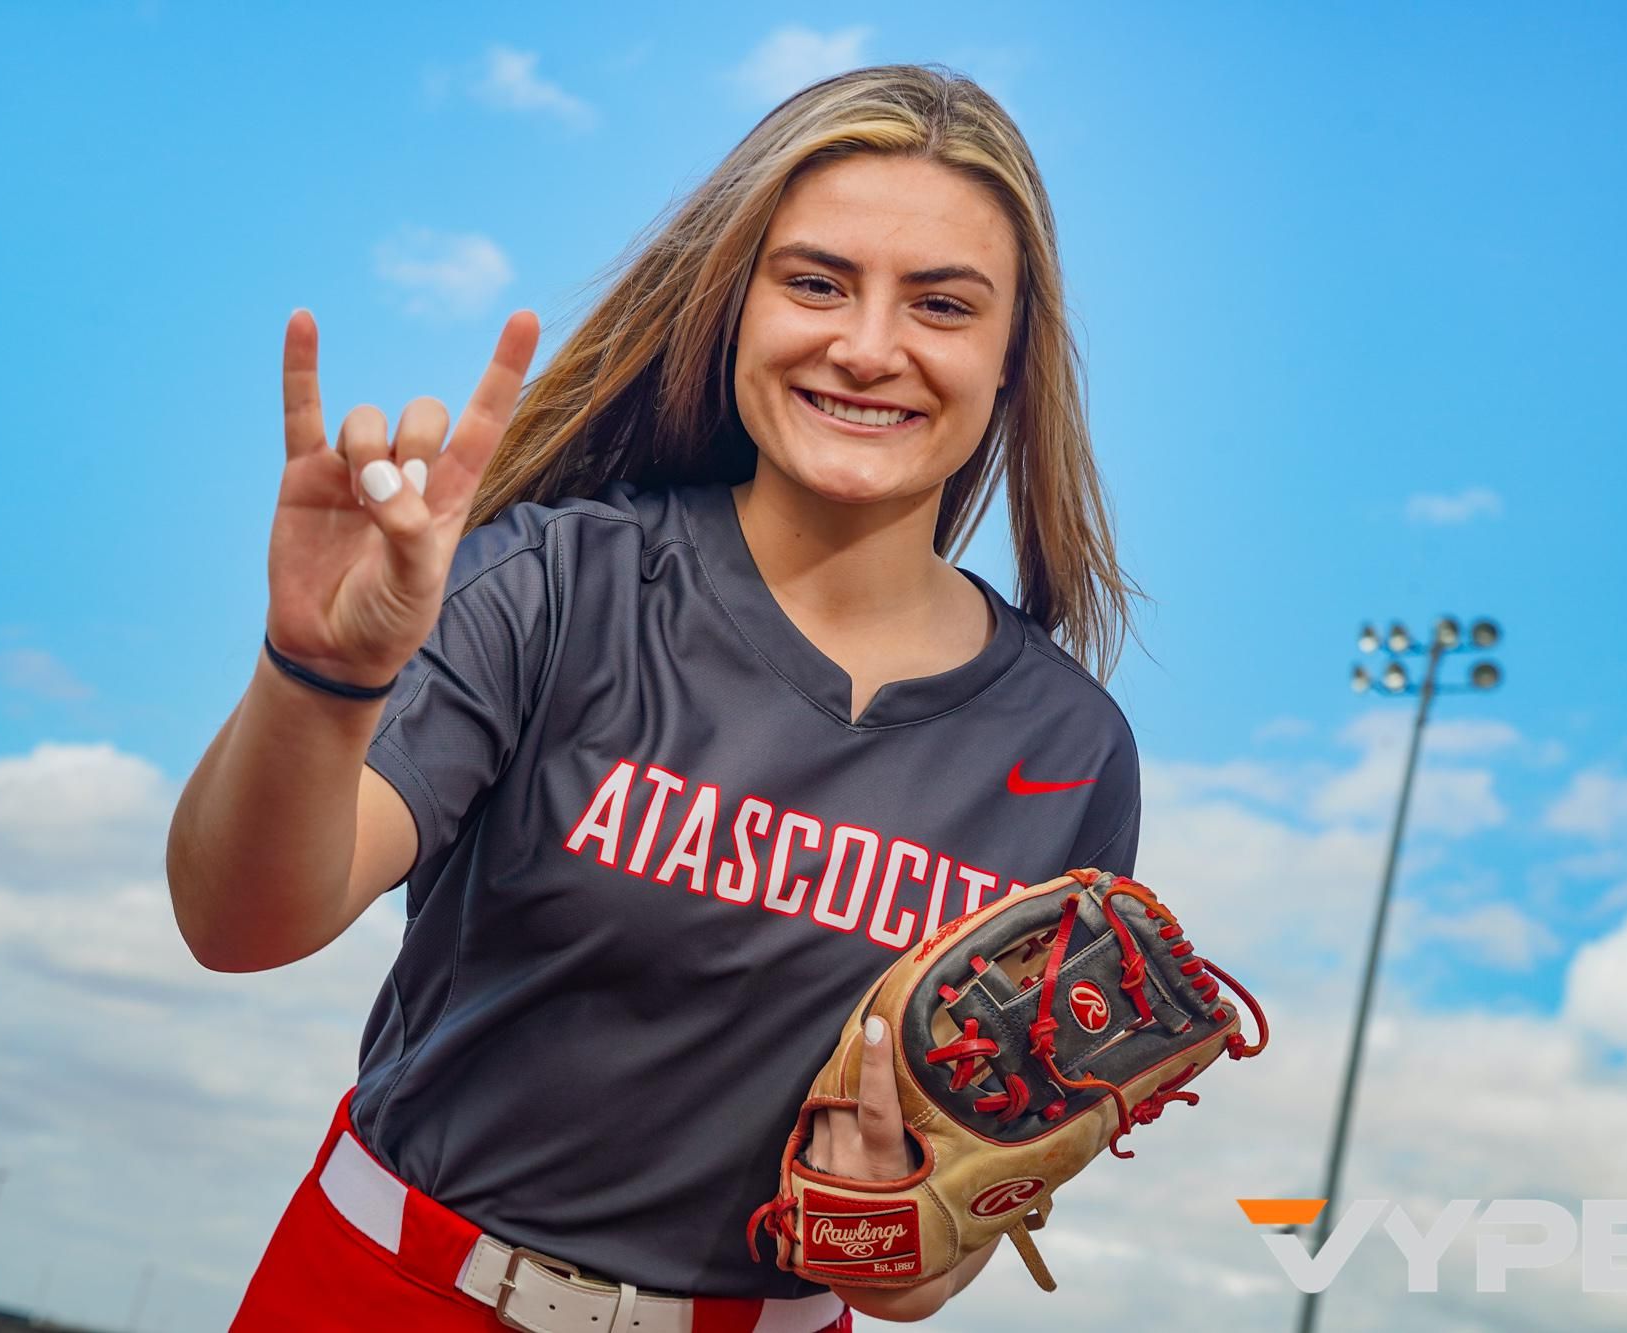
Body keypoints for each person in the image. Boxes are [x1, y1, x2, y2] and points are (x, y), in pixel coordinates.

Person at [167, 62, 1146, 1332]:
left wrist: (893, 1230)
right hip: (392, 1291)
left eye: (941, 305)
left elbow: (939, 1251)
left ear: (1011, 358)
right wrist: (318, 678)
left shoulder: (1068, 750)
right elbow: (240, 922)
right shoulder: (550, 580)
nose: (866, 345)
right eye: (814, 281)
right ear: (732, 304)